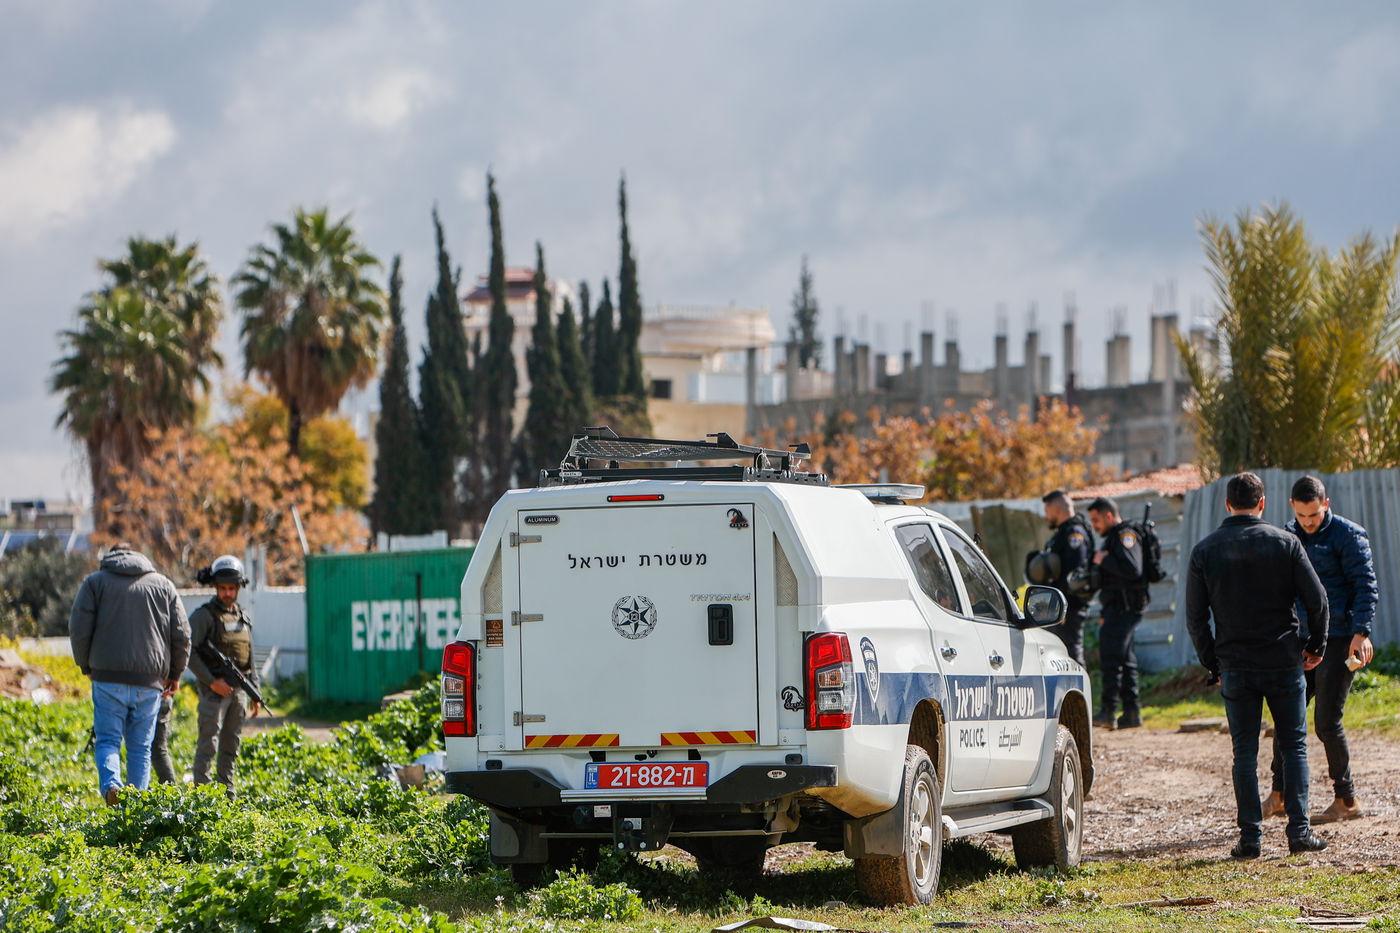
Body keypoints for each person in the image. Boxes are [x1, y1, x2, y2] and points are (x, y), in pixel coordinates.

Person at [1185, 472, 1329, 858]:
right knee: (1294, 746)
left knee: (1244, 753)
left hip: (1236, 665)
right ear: (1262, 503)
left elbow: (1196, 618)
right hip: (1283, 660)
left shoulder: (1204, 551)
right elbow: (1318, 601)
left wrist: (1213, 663)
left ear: (1228, 505)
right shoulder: (1286, 543)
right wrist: (1316, 645)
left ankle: (1251, 840)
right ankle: (1299, 833)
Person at [1263, 475, 1378, 824]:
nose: (1308, 523)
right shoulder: (1288, 537)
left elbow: (1364, 585)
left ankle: (1346, 799)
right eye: (1301, 516)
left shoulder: (1349, 535)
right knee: (1286, 717)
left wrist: (1361, 632)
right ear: (1292, 509)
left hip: (1342, 640)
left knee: (1327, 722)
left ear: (1326, 504)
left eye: (1313, 515)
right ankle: (1279, 795)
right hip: (1301, 640)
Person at [68, 542, 190, 805]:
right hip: (150, 681)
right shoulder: (163, 585)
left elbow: (78, 628)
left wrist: (86, 666)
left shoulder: (95, 583)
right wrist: (176, 673)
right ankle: (136, 810)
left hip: (107, 677)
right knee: (141, 748)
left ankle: (112, 785)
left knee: (108, 741)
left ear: (109, 557)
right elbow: (182, 634)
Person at [188, 554, 261, 793]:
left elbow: (249, 657)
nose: (227, 593)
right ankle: (203, 798)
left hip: (239, 691)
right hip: (214, 693)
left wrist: (255, 692)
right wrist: (211, 681)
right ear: (216, 587)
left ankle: (226, 795)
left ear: (239, 588)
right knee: (208, 745)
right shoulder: (204, 616)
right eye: (223, 588)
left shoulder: (243, 616)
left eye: (232, 588)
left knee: (231, 745)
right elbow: (188, 653)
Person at [1087, 497, 1150, 729]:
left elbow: (1133, 569)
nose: (1094, 525)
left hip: (1125, 607)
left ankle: (1108, 711)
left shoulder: (1126, 535)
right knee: (1125, 658)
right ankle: (1131, 713)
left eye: (1096, 520)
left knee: (1111, 657)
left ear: (1109, 516)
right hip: (1117, 606)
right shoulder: (1113, 538)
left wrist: (1104, 560)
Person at [1035, 489, 1093, 666]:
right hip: (1059, 607)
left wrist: (1064, 607)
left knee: (1071, 653)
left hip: (1069, 607)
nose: (1046, 516)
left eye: (1047, 511)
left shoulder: (1074, 534)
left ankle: (1080, 691)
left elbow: (1075, 575)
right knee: (1057, 654)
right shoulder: (1062, 533)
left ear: (1057, 510)